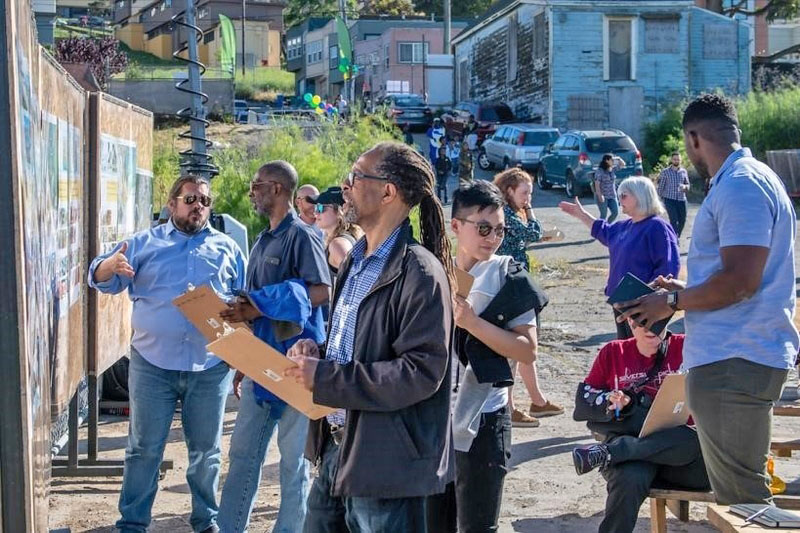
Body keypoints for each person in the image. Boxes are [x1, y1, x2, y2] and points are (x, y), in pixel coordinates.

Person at [615, 94, 799, 505]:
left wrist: (673, 304)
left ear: (694, 138)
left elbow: (740, 282)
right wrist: (680, 292)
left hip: (734, 362)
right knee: (743, 498)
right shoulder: (750, 179)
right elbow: (744, 278)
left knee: (745, 505)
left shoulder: (741, 185)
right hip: (740, 357)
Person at [285, 141, 455, 532]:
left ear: (388, 191)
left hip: (385, 465)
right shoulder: (356, 261)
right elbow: (360, 348)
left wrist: (325, 378)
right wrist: (319, 353)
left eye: (356, 176)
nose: (345, 186)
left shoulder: (420, 273)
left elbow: (420, 372)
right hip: (337, 451)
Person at [88, 175, 247, 533]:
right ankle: (132, 524)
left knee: (206, 453)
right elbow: (98, 276)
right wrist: (109, 267)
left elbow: (245, 300)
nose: (198, 206)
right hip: (152, 365)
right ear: (172, 202)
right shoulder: (143, 243)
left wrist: (237, 320)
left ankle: (206, 521)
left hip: (209, 367)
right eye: (190, 198)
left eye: (205, 201)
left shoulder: (228, 249)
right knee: (144, 449)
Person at [426, 181, 547, 533]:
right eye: (483, 228)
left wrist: (472, 323)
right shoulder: (431, 270)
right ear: (455, 226)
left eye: (499, 229)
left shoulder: (510, 276)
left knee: (479, 526)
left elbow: (527, 349)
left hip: (486, 416)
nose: (492, 237)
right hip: (433, 417)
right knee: (434, 523)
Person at [217, 161, 331, 533]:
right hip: (258, 365)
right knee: (243, 456)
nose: (251, 192)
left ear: (278, 189)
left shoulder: (303, 236)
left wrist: (262, 301)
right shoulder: (263, 239)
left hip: (297, 369)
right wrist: (241, 358)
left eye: (257, 186)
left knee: (292, 463)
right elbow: (253, 310)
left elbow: (320, 291)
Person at [571, 324, 709, 533]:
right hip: (634, 458)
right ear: (629, 322)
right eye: (641, 320)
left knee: (692, 439)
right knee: (629, 477)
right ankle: (616, 452)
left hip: (682, 458)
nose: (650, 327)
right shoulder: (614, 351)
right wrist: (612, 400)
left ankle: (610, 452)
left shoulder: (688, 346)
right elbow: (585, 403)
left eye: (658, 321)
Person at [559, 177, 680, 340]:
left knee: (644, 356)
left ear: (640, 196)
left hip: (644, 305)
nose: (619, 199)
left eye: (624, 195)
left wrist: (654, 298)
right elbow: (603, 231)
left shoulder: (657, 227)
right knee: (626, 351)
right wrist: (582, 215)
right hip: (621, 302)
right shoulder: (625, 226)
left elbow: (668, 268)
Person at [493, 168, 563, 427]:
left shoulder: (511, 212)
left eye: (530, 193)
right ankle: (509, 406)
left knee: (527, 343)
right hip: (509, 285)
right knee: (518, 343)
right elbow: (531, 233)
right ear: (509, 190)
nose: (528, 198)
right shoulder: (505, 212)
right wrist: (531, 212)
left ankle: (537, 400)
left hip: (519, 283)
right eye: (524, 193)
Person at [310, 186, 364, 283]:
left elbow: (357, 281)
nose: (316, 213)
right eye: (316, 207)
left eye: (321, 208)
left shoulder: (338, 245)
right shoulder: (342, 240)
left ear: (340, 211)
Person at [657, 152, 691, 238]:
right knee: (674, 220)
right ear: (671, 160)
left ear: (680, 160)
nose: (676, 161)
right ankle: (674, 238)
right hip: (669, 199)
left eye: (678, 159)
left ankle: (677, 235)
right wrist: (658, 199)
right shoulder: (665, 172)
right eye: (675, 159)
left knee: (682, 220)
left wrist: (685, 187)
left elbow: (688, 185)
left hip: (681, 199)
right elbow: (661, 187)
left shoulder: (684, 172)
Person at [592, 154, 626, 223]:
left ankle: (607, 225)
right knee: (603, 215)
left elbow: (623, 164)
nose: (613, 161)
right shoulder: (599, 171)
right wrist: (600, 195)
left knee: (615, 213)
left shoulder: (612, 169)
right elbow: (597, 185)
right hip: (603, 195)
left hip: (612, 195)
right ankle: (600, 229)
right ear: (606, 160)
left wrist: (618, 158)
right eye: (612, 160)